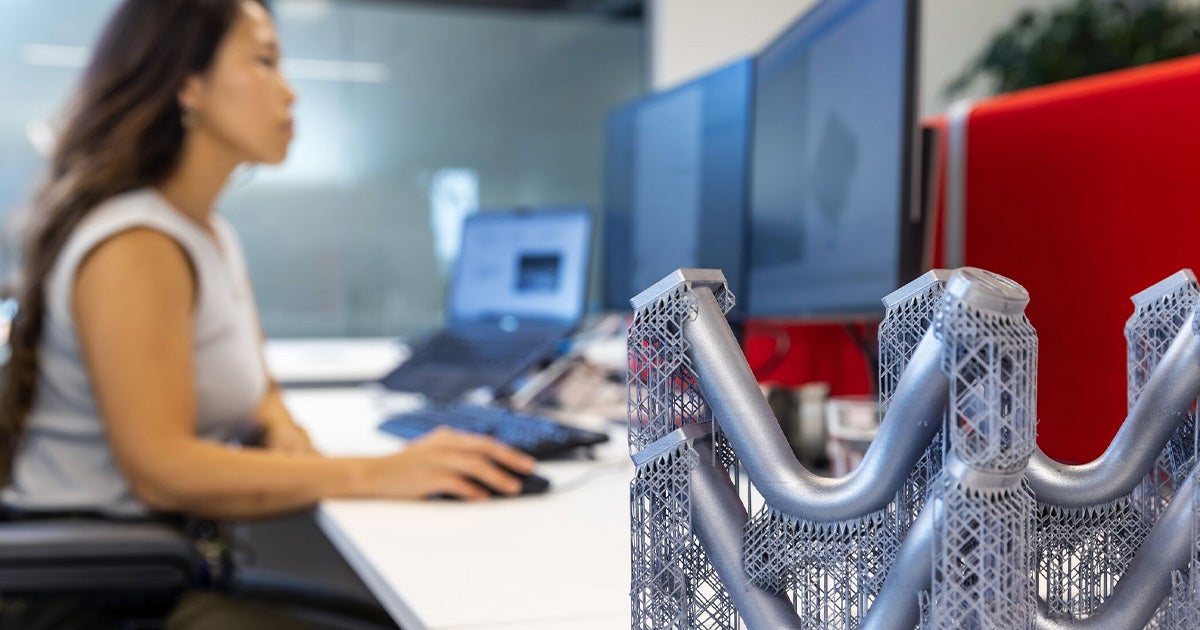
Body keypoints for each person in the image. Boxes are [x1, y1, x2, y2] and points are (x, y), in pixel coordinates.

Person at [0, 0, 535, 627]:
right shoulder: (134, 246)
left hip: (160, 564)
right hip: (92, 587)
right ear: (188, 85)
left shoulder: (209, 234)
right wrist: (381, 472)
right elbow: (160, 471)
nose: (290, 94)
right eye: (264, 62)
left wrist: (279, 427)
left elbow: (259, 387)